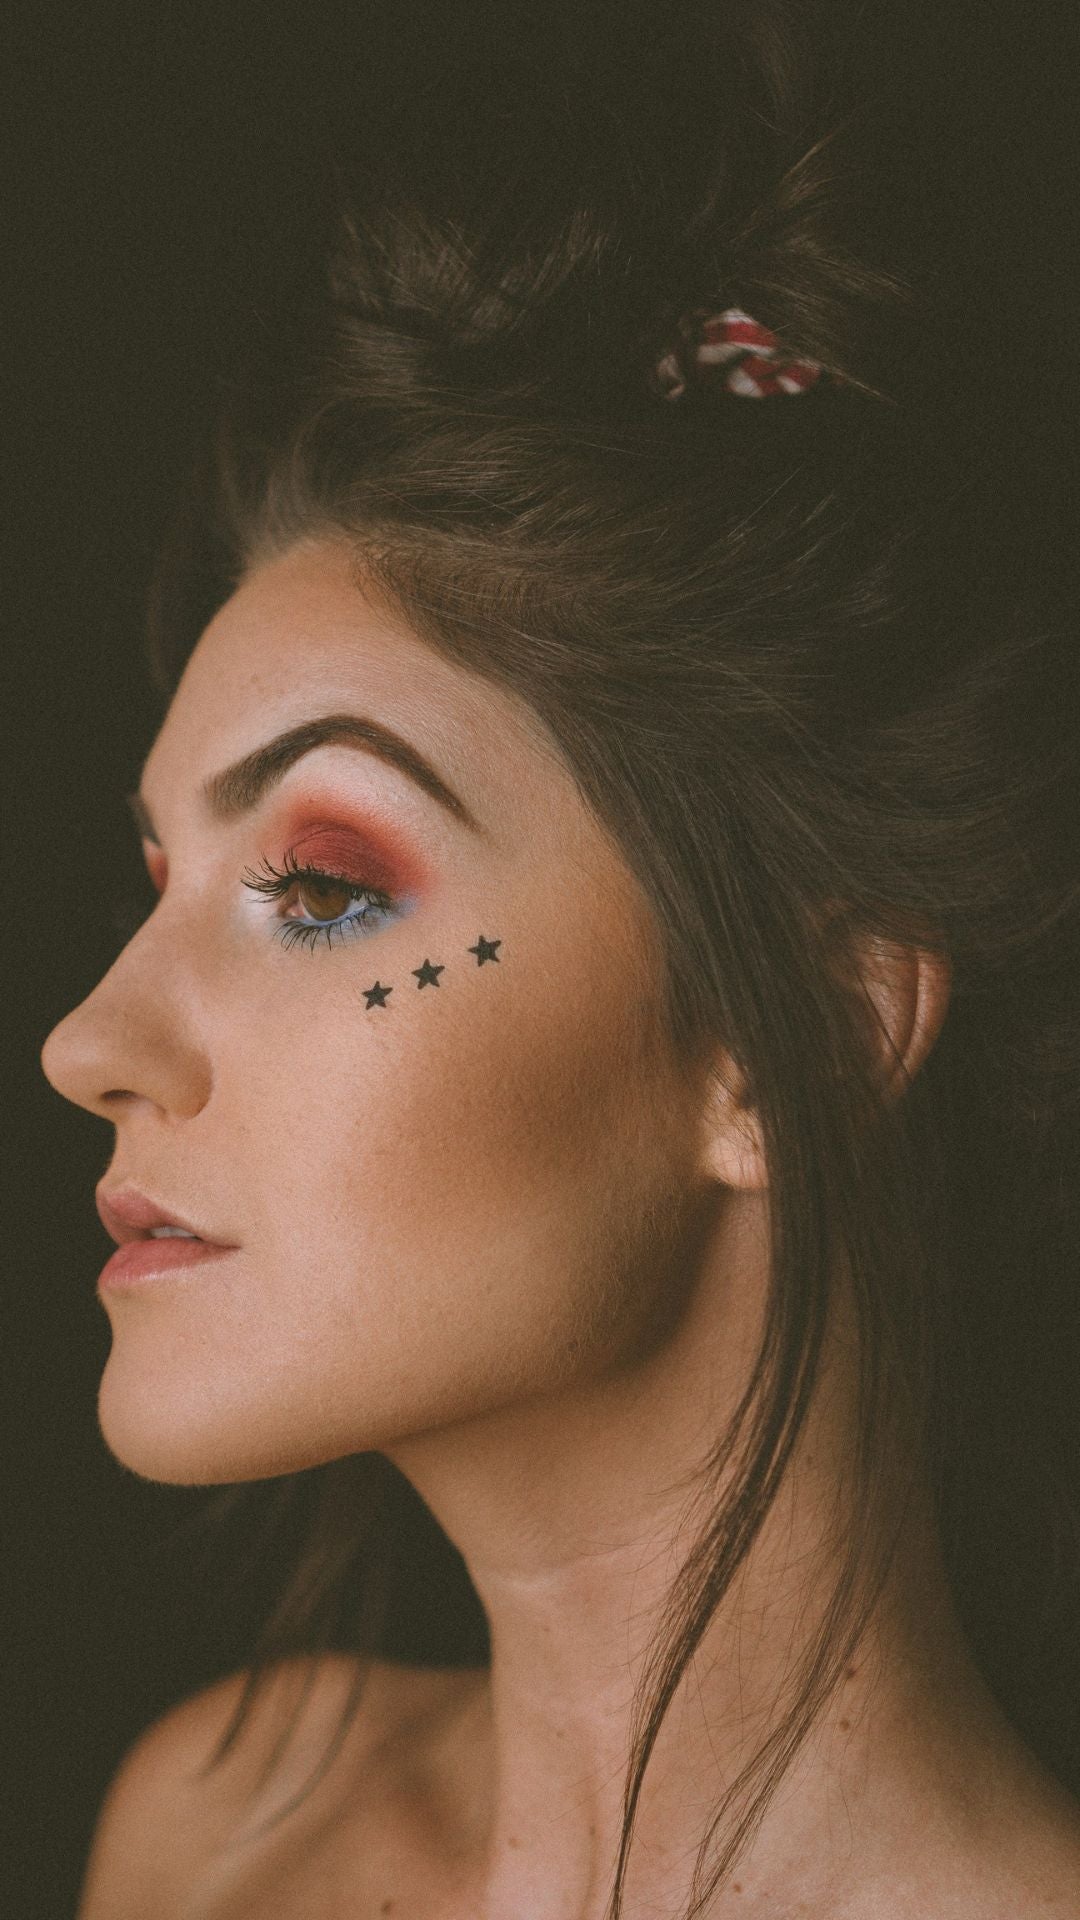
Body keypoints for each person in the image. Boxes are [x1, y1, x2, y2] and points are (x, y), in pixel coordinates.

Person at [39, 3, 1080, 1914]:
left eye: (320, 888)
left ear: (802, 1035)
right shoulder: (215, 1835)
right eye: (157, 878)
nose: (88, 1042)